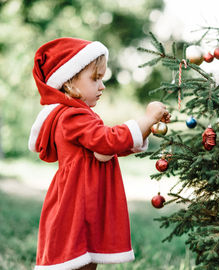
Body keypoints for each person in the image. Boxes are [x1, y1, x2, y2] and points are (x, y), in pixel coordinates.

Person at [28, 37, 170, 270]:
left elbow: (108, 147)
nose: (102, 86)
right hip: (78, 201)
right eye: (96, 78)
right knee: (76, 258)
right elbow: (107, 141)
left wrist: (145, 129)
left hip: (88, 199)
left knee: (87, 258)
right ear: (69, 84)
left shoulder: (80, 114)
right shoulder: (71, 116)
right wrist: (147, 119)